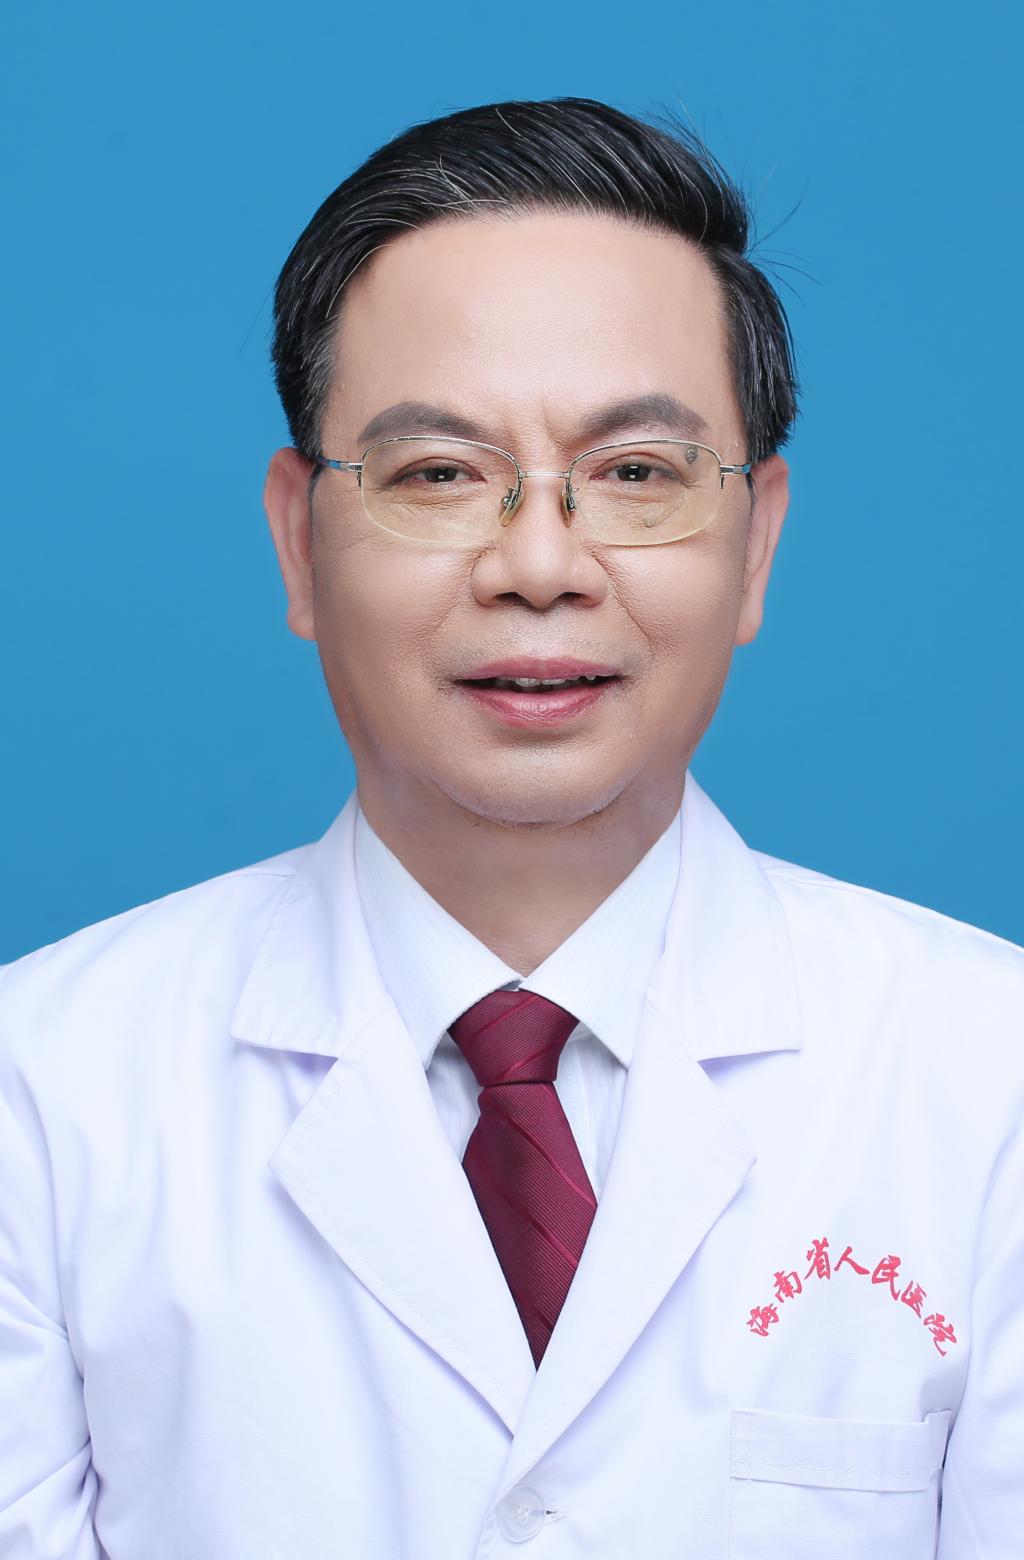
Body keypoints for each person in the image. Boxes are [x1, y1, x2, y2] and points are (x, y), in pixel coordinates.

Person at [0, 96, 1020, 1560]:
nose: (539, 563)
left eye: (637, 474)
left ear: (757, 543)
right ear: (298, 541)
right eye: (439, 475)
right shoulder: (40, 1095)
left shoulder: (990, 1085)